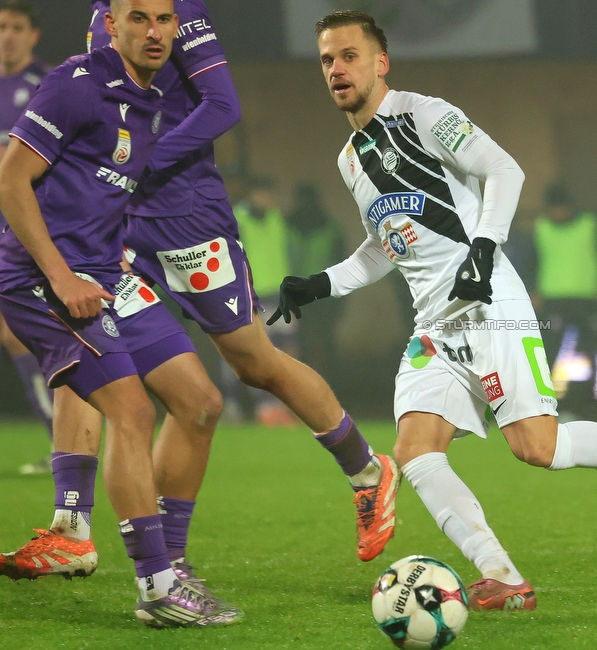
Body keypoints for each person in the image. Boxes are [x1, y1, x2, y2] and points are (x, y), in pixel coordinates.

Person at [272, 10, 597, 612]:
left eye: (349, 56)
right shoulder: (351, 160)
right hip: (433, 327)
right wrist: (319, 284)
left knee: (536, 447)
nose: (336, 69)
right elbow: (386, 247)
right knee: (414, 449)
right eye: (327, 60)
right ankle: (502, 574)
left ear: (380, 62)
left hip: (491, 305)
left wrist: (484, 249)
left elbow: (504, 170)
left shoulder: (424, 114)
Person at [0, 0, 243, 626]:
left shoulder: (153, 99)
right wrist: (60, 275)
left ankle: (157, 557)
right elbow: (10, 180)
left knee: (199, 400)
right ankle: (156, 588)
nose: (155, 31)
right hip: (37, 279)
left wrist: (118, 258)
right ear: (112, 25)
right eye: (138, 18)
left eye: (164, 20)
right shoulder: (77, 85)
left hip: (107, 275)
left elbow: (100, 196)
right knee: (131, 410)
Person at [0, 0, 54, 474]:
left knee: (18, 333)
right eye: (1, 27)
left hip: (23, 225)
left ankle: (65, 442)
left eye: (17, 27)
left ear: (33, 35)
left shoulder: (46, 86)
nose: (8, 36)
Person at [528, 182, 597, 404]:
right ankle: (542, 400)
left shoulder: (590, 224)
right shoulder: (540, 228)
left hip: (587, 299)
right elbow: (530, 262)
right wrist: (532, 291)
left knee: (592, 350)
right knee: (547, 353)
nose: (558, 213)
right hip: (552, 301)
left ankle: (592, 399)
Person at [227, 176, 298, 425]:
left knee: (289, 350)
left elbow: (287, 252)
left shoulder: (277, 218)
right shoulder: (238, 219)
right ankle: (262, 407)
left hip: (280, 295)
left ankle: (286, 405)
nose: (269, 200)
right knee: (261, 352)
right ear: (253, 195)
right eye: (265, 194)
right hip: (253, 294)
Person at [286, 181, 346, 374]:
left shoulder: (330, 228)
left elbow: (342, 263)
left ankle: (329, 381)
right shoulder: (285, 226)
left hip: (322, 294)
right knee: (299, 340)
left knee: (323, 340)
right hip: (298, 293)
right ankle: (305, 382)